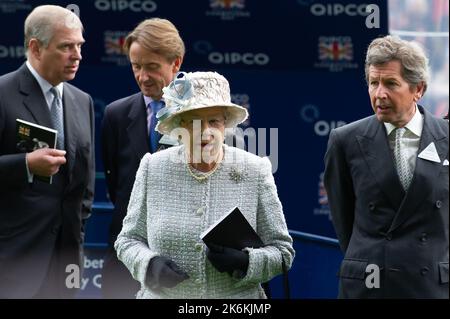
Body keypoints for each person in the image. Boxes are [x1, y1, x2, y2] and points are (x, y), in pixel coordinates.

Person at [115, 71, 294, 298]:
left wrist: (248, 262)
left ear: (226, 124)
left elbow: (283, 252)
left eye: (213, 121)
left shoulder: (255, 170)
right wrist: (148, 265)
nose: (205, 132)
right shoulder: (153, 168)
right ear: (178, 127)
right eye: (193, 122)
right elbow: (127, 240)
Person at [324, 35, 448, 298]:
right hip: (369, 287)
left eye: (391, 83)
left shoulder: (447, 137)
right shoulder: (345, 141)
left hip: (433, 287)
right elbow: (343, 220)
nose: (379, 93)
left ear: (419, 90)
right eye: (373, 83)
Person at [0, 5, 95, 298]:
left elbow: (84, 187)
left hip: (65, 264)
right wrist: (26, 164)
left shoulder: (83, 101)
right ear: (35, 48)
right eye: (66, 46)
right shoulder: (3, 93)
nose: (77, 55)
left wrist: (75, 243)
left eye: (79, 45)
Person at [101, 18, 184, 298]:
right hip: (124, 258)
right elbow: (117, 185)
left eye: (152, 67)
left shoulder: (204, 118)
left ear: (176, 63)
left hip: (181, 262)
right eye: (136, 66)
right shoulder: (115, 114)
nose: (143, 76)